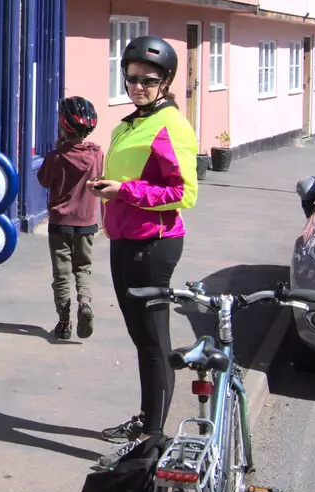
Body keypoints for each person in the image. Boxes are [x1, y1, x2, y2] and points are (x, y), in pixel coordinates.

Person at [90, 36, 199, 445]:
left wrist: (124, 192)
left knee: (153, 340)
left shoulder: (170, 125)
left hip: (152, 245)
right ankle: (147, 420)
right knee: (142, 338)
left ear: (166, 81)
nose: (138, 86)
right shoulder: (133, 121)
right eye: (132, 78)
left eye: (148, 80)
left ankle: (153, 435)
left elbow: (184, 193)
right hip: (126, 240)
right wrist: (110, 194)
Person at [37, 96, 103, 341]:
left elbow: (44, 180)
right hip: (87, 222)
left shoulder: (55, 157)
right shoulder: (96, 155)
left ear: (63, 126)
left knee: (62, 274)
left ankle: (64, 323)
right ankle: (84, 303)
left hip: (60, 223)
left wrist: (58, 148)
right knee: (83, 268)